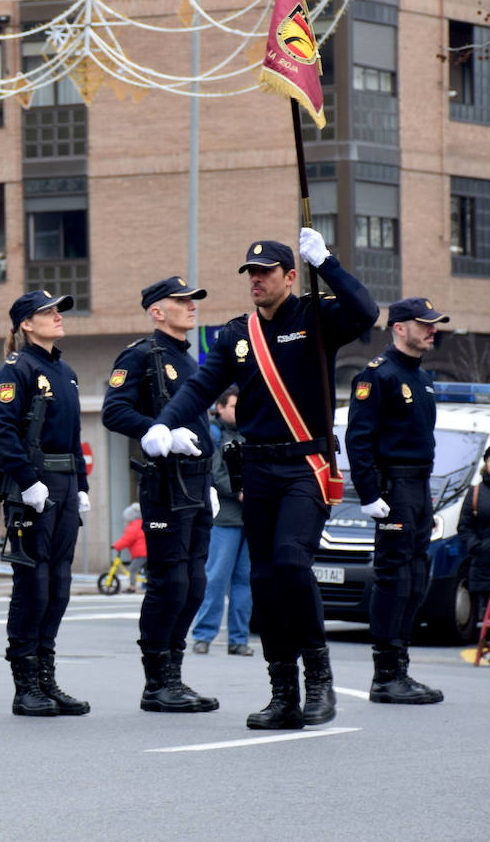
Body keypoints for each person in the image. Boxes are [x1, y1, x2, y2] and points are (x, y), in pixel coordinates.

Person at [145, 230, 378, 730]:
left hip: (305, 466)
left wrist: (330, 263)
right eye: (250, 272)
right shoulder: (235, 335)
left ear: (290, 276)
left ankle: (319, 677)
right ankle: (282, 693)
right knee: (266, 582)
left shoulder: (316, 317)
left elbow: (366, 313)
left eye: (266, 271)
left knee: (293, 563)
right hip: (256, 469)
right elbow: (202, 385)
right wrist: (163, 423)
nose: (256, 279)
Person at [103, 276, 219, 713]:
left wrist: (209, 482)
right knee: (169, 582)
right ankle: (158, 683)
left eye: (193, 300)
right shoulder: (141, 356)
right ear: (157, 311)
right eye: (181, 301)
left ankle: (175, 673)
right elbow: (114, 410)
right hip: (165, 482)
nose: (192, 307)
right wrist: (160, 435)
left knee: (193, 584)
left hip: (196, 480)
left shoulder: (190, 361)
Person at [0, 290, 91, 718]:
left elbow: (71, 435)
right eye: (47, 312)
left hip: (65, 483)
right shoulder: (18, 368)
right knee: (34, 585)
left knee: (60, 585)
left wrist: (82, 484)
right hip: (35, 486)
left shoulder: (64, 370)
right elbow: (2, 430)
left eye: (57, 311)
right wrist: (28, 481)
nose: (56, 317)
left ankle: (47, 676)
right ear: (26, 324)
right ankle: (25, 683)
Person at [345, 297, 448, 705]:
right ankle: (385, 675)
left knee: (417, 577)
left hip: (419, 488)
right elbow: (359, 439)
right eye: (424, 324)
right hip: (394, 489)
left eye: (434, 324)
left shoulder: (420, 376)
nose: (432, 330)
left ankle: (400, 668)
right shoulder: (379, 376)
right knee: (395, 578)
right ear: (399, 327)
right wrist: (369, 493)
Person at [192, 386, 253, 656]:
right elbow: (216, 472)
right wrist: (240, 491)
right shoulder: (213, 433)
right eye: (233, 406)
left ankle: (239, 639)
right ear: (220, 407)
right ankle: (203, 635)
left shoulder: (250, 432)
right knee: (216, 577)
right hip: (225, 518)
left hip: (250, 517)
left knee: (244, 580)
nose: (238, 412)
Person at [456, 449, 490, 634]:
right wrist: (476, 546)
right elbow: (464, 526)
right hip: (484, 560)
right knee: (486, 609)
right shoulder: (476, 493)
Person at [111, 504, 147, 594]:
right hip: (145, 552)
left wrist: (116, 546)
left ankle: (132, 587)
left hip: (141, 554)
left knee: (132, 569)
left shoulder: (134, 526)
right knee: (146, 569)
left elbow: (127, 540)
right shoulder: (142, 523)